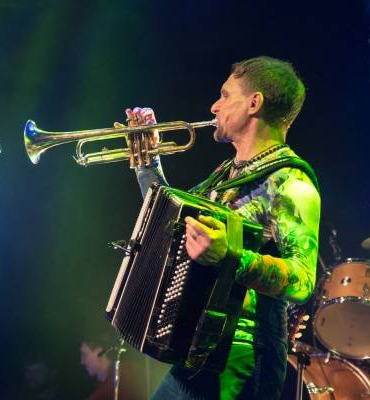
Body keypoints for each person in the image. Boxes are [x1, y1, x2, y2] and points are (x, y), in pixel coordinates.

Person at [117, 56, 321, 399]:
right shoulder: (225, 175)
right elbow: (169, 224)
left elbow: (303, 282)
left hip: (244, 357)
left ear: (254, 103)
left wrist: (231, 256)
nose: (214, 106)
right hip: (198, 349)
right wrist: (147, 162)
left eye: (225, 96)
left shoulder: (292, 182)